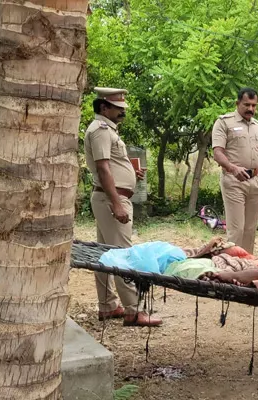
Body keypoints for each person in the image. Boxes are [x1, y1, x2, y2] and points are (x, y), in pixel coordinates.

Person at [84, 87, 162, 327]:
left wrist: (130, 172)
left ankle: (107, 305)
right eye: (118, 108)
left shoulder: (108, 130)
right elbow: (103, 168)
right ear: (104, 107)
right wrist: (117, 204)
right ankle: (133, 310)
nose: (122, 112)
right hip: (112, 199)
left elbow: (111, 165)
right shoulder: (101, 130)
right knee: (123, 254)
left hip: (110, 197)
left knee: (103, 254)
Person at [212, 88, 258, 254]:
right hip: (234, 180)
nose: (250, 109)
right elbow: (217, 153)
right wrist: (233, 168)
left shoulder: (257, 126)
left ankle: (247, 263)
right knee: (237, 229)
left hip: (255, 181)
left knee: (250, 229)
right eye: (246, 105)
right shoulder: (224, 122)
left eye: (254, 105)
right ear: (237, 103)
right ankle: (232, 263)